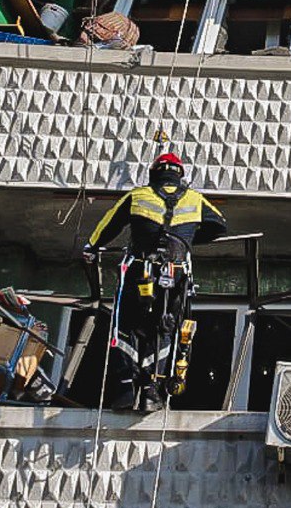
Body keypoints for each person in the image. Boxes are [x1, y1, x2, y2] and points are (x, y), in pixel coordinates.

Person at [82, 151, 227, 410]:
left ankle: (125, 388)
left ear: (153, 173)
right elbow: (219, 225)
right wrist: (187, 239)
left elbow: (108, 225)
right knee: (165, 328)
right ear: (180, 175)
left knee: (126, 326)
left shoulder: (137, 195)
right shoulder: (195, 199)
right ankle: (152, 390)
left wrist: (91, 247)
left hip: (139, 271)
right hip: (176, 273)